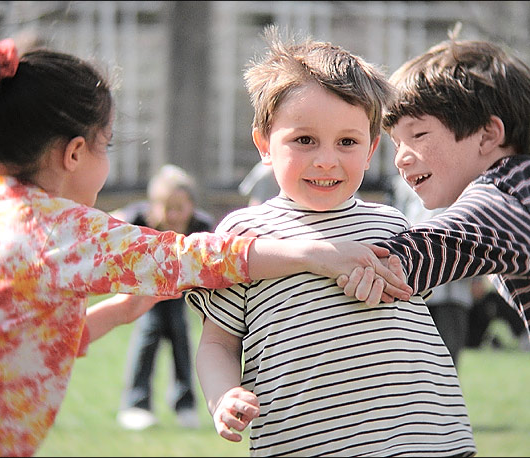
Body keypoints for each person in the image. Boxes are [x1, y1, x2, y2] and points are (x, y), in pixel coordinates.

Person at [0, 30, 411, 457]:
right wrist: (312, 253)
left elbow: (20, 340)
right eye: (106, 144)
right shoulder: (61, 231)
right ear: (74, 153)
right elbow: (191, 258)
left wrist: (119, 312)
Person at [186, 26, 476, 457]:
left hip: (426, 440)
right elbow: (216, 344)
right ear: (264, 144)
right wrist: (223, 396)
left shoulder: (391, 225)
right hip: (306, 443)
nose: (327, 159)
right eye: (304, 140)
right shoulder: (244, 236)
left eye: (347, 142)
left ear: (371, 147)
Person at [338, 39, 530, 457]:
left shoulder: (504, 198)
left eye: (418, 134)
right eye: (396, 142)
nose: (401, 158)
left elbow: (430, 247)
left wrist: (307, 253)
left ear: (488, 134)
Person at [115, 165, 211, 430]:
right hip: (147, 296)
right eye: (166, 207)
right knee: (148, 335)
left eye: (180, 207)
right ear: (152, 206)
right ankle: (136, 404)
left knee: (182, 339)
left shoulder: (201, 226)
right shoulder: (138, 219)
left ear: (191, 204)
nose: (173, 214)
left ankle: (186, 405)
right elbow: (111, 226)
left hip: (180, 296)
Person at [392, 174, 472, 368]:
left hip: (452, 291)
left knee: (447, 357)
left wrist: (476, 279)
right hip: (415, 288)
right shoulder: (404, 181)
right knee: (413, 356)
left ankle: (445, 397)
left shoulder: (461, 177)